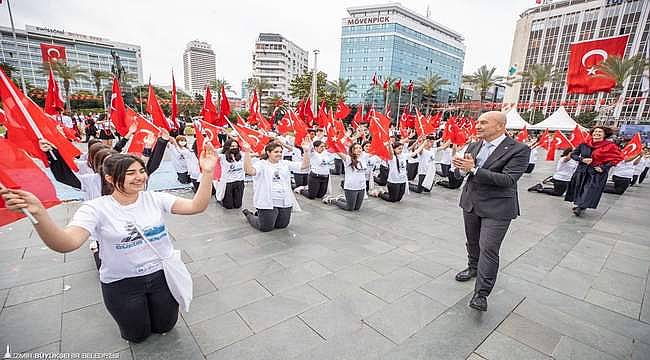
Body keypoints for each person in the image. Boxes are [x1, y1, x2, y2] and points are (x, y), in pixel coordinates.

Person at [0, 144, 219, 343]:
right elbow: (66, 243)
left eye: (141, 171)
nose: (139, 177)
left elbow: (196, 206)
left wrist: (207, 171)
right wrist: (39, 214)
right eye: (130, 173)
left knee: (166, 327)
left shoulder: (156, 198)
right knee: (137, 335)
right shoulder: (95, 208)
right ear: (110, 178)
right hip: (122, 284)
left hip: (162, 276)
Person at [451, 111, 530, 312]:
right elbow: (467, 173)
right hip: (471, 202)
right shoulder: (475, 144)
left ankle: (481, 293)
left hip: (497, 207)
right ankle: (473, 267)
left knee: (489, 248)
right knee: (473, 241)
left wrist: (474, 170)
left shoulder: (519, 149)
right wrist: (461, 168)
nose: (478, 125)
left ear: (499, 126)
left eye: (484, 122)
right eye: (477, 122)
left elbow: (508, 180)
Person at [241, 140, 310, 232]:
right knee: (266, 227)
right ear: (268, 153)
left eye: (281, 152)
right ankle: (249, 215)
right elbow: (249, 171)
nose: (279, 154)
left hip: (283, 200)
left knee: (282, 225)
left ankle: (264, 215)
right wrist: (247, 152)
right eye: (276, 152)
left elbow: (304, 165)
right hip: (267, 201)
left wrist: (306, 151)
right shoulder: (261, 164)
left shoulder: (284, 163)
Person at [565, 126, 624, 216]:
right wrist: (582, 159)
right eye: (595, 132)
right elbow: (574, 155)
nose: (597, 133)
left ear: (605, 134)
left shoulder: (610, 146)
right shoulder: (584, 144)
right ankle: (581, 205)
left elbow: (617, 158)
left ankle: (580, 207)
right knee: (579, 188)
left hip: (596, 172)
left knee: (589, 190)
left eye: (600, 132)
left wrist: (604, 167)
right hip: (582, 170)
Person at [324, 143, 367, 211]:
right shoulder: (348, 158)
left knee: (356, 208)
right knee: (349, 208)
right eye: (356, 148)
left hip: (361, 187)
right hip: (351, 187)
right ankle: (333, 200)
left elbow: (377, 150)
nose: (358, 149)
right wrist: (333, 142)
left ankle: (340, 198)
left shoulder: (364, 158)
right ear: (352, 150)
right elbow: (338, 152)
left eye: (360, 148)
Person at [218, 139, 245, 209]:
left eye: (236, 146)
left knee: (238, 205)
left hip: (239, 181)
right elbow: (213, 153)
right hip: (228, 182)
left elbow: (255, 154)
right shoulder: (222, 156)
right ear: (227, 147)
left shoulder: (241, 155)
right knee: (229, 206)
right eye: (232, 146)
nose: (234, 148)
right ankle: (220, 198)